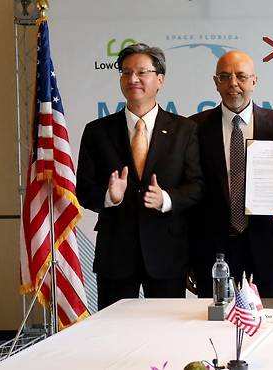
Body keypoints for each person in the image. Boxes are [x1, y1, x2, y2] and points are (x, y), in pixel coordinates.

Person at [77, 43, 203, 310]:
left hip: (167, 252)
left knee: (167, 336)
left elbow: (197, 186)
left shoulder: (184, 129)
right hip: (116, 254)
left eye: (141, 72)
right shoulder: (97, 131)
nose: (132, 79)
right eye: (125, 72)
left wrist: (166, 199)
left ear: (160, 80)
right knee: (113, 336)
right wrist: (109, 197)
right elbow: (84, 190)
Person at [188, 50, 273, 298]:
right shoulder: (194, 128)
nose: (233, 84)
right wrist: (187, 257)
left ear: (254, 80)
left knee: (268, 322)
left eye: (241, 76)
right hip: (212, 248)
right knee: (212, 324)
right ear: (215, 82)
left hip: (267, 244)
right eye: (225, 76)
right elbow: (190, 194)